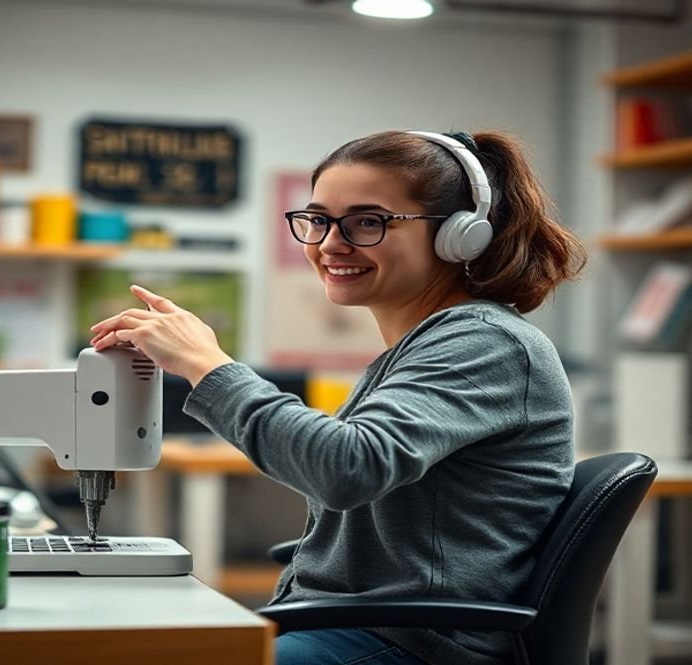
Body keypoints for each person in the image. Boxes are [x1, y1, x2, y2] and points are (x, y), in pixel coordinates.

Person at [89, 129, 587, 665]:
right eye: (318, 220)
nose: (329, 244)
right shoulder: (426, 344)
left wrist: (205, 365)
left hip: (408, 645)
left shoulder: (486, 343)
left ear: (459, 236)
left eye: (367, 222)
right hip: (361, 627)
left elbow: (345, 467)